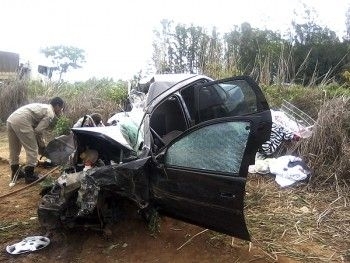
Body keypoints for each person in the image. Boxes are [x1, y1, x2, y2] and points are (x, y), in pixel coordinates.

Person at [6, 97, 65, 183]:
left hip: (11, 119)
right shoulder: (50, 113)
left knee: (14, 149)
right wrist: (42, 146)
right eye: (61, 108)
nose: (61, 110)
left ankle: (15, 173)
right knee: (32, 149)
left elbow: (36, 129)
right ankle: (29, 176)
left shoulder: (44, 107)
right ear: (57, 106)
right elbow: (38, 131)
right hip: (22, 120)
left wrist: (41, 144)